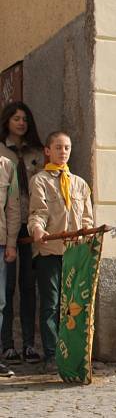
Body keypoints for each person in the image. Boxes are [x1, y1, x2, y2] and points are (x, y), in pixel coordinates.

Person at [29, 132, 94, 372]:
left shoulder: (80, 183)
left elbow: (86, 218)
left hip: (75, 254)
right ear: (47, 150)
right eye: (58, 147)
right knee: (52, 304)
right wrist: (37, 230)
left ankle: (74, 352)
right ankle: (51, 354)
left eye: (67, 147)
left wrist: (88, 236)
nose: (63, 151)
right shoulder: (40, 180)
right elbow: (38, 212)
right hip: (50, 251)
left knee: (74, 304)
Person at [0, 102, 44, 366]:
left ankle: (29, 344)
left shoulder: (37, 152)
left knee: (29, 285)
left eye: (25, 119)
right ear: (6, 121)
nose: (21, 123)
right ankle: (7, 346)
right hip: (6, 228)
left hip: (32, 224)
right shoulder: (2, 153)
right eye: (16, 118)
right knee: (6, 288)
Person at [0, 141, 21, 377]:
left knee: (0, 302)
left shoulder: (7, 167)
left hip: (0, 243)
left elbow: (13, 208)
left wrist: (12, 243)